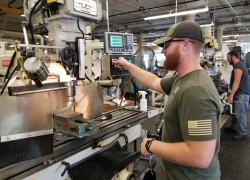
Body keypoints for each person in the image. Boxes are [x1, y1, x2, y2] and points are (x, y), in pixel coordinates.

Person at [113, 21, 221, 180]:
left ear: (185, 45)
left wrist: (152, 146)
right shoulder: (182, 78)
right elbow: (154, 82)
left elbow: (200, 157)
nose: (162, 50)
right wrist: (127, 65)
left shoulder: (196, 90)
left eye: (167, 44)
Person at [224, 51, 250, 140]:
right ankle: (234, 127)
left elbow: (237, 81)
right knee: (235, 113)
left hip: (241, 94)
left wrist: (231, 95)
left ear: (233, 57)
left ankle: (243, 133)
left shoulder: (238, 66)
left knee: (240, 114)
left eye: (228, 58)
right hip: (240, 93)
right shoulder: (239, 65)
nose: (227, 60)